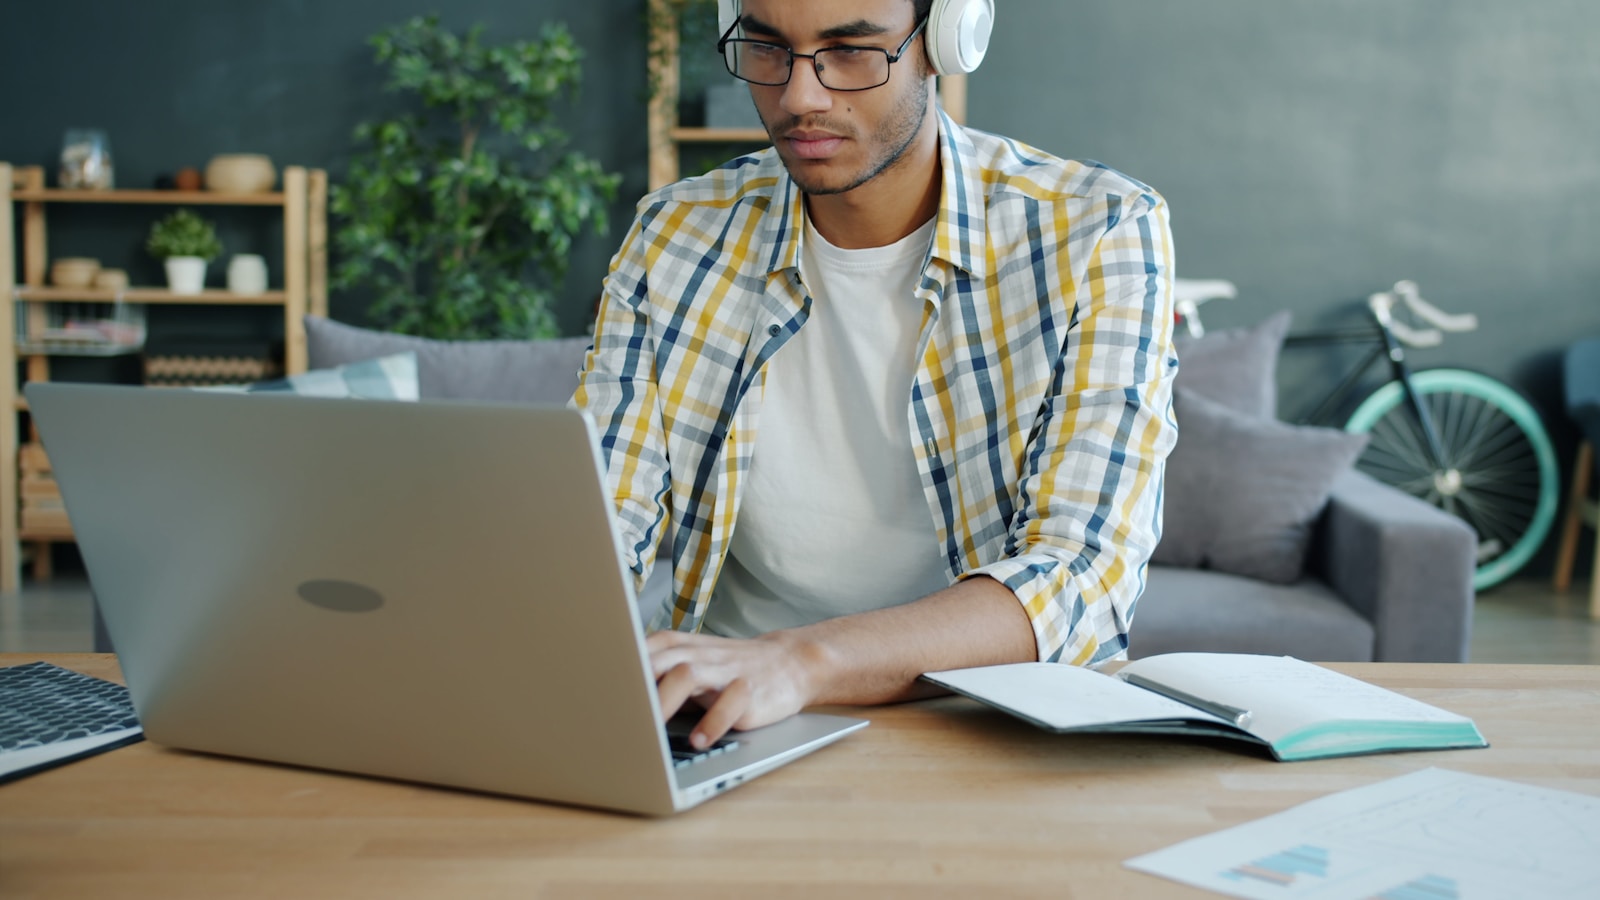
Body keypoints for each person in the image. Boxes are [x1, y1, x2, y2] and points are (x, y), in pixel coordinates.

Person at [574, 0, 1177, 752]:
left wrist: (801, 661)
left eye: (851, 51)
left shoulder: (1096, 230)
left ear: (946, 39)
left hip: (990, 723)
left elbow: (1082, 576)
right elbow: (598, 519)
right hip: (727, 716)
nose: (799, 97)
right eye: (766, 49)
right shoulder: (675, 232)